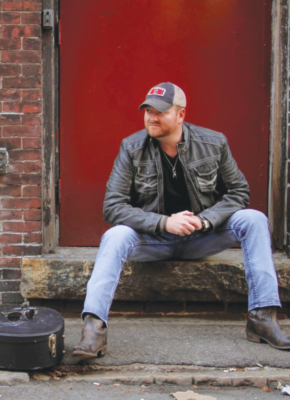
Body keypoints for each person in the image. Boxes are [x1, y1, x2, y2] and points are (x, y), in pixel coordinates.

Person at [72, 82, 290, 359]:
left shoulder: (213, 143)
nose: (152, 117)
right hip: (153, 241)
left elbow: (239, 192)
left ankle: (263, 319)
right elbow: (113, 207)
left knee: (254, 219)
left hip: (201, 238)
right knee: (114, 235)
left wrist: (206, 221)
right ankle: (94, 328)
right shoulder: (131, 147)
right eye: (147, 111)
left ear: (181, 115)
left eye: (160, 112)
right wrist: (164, 223)